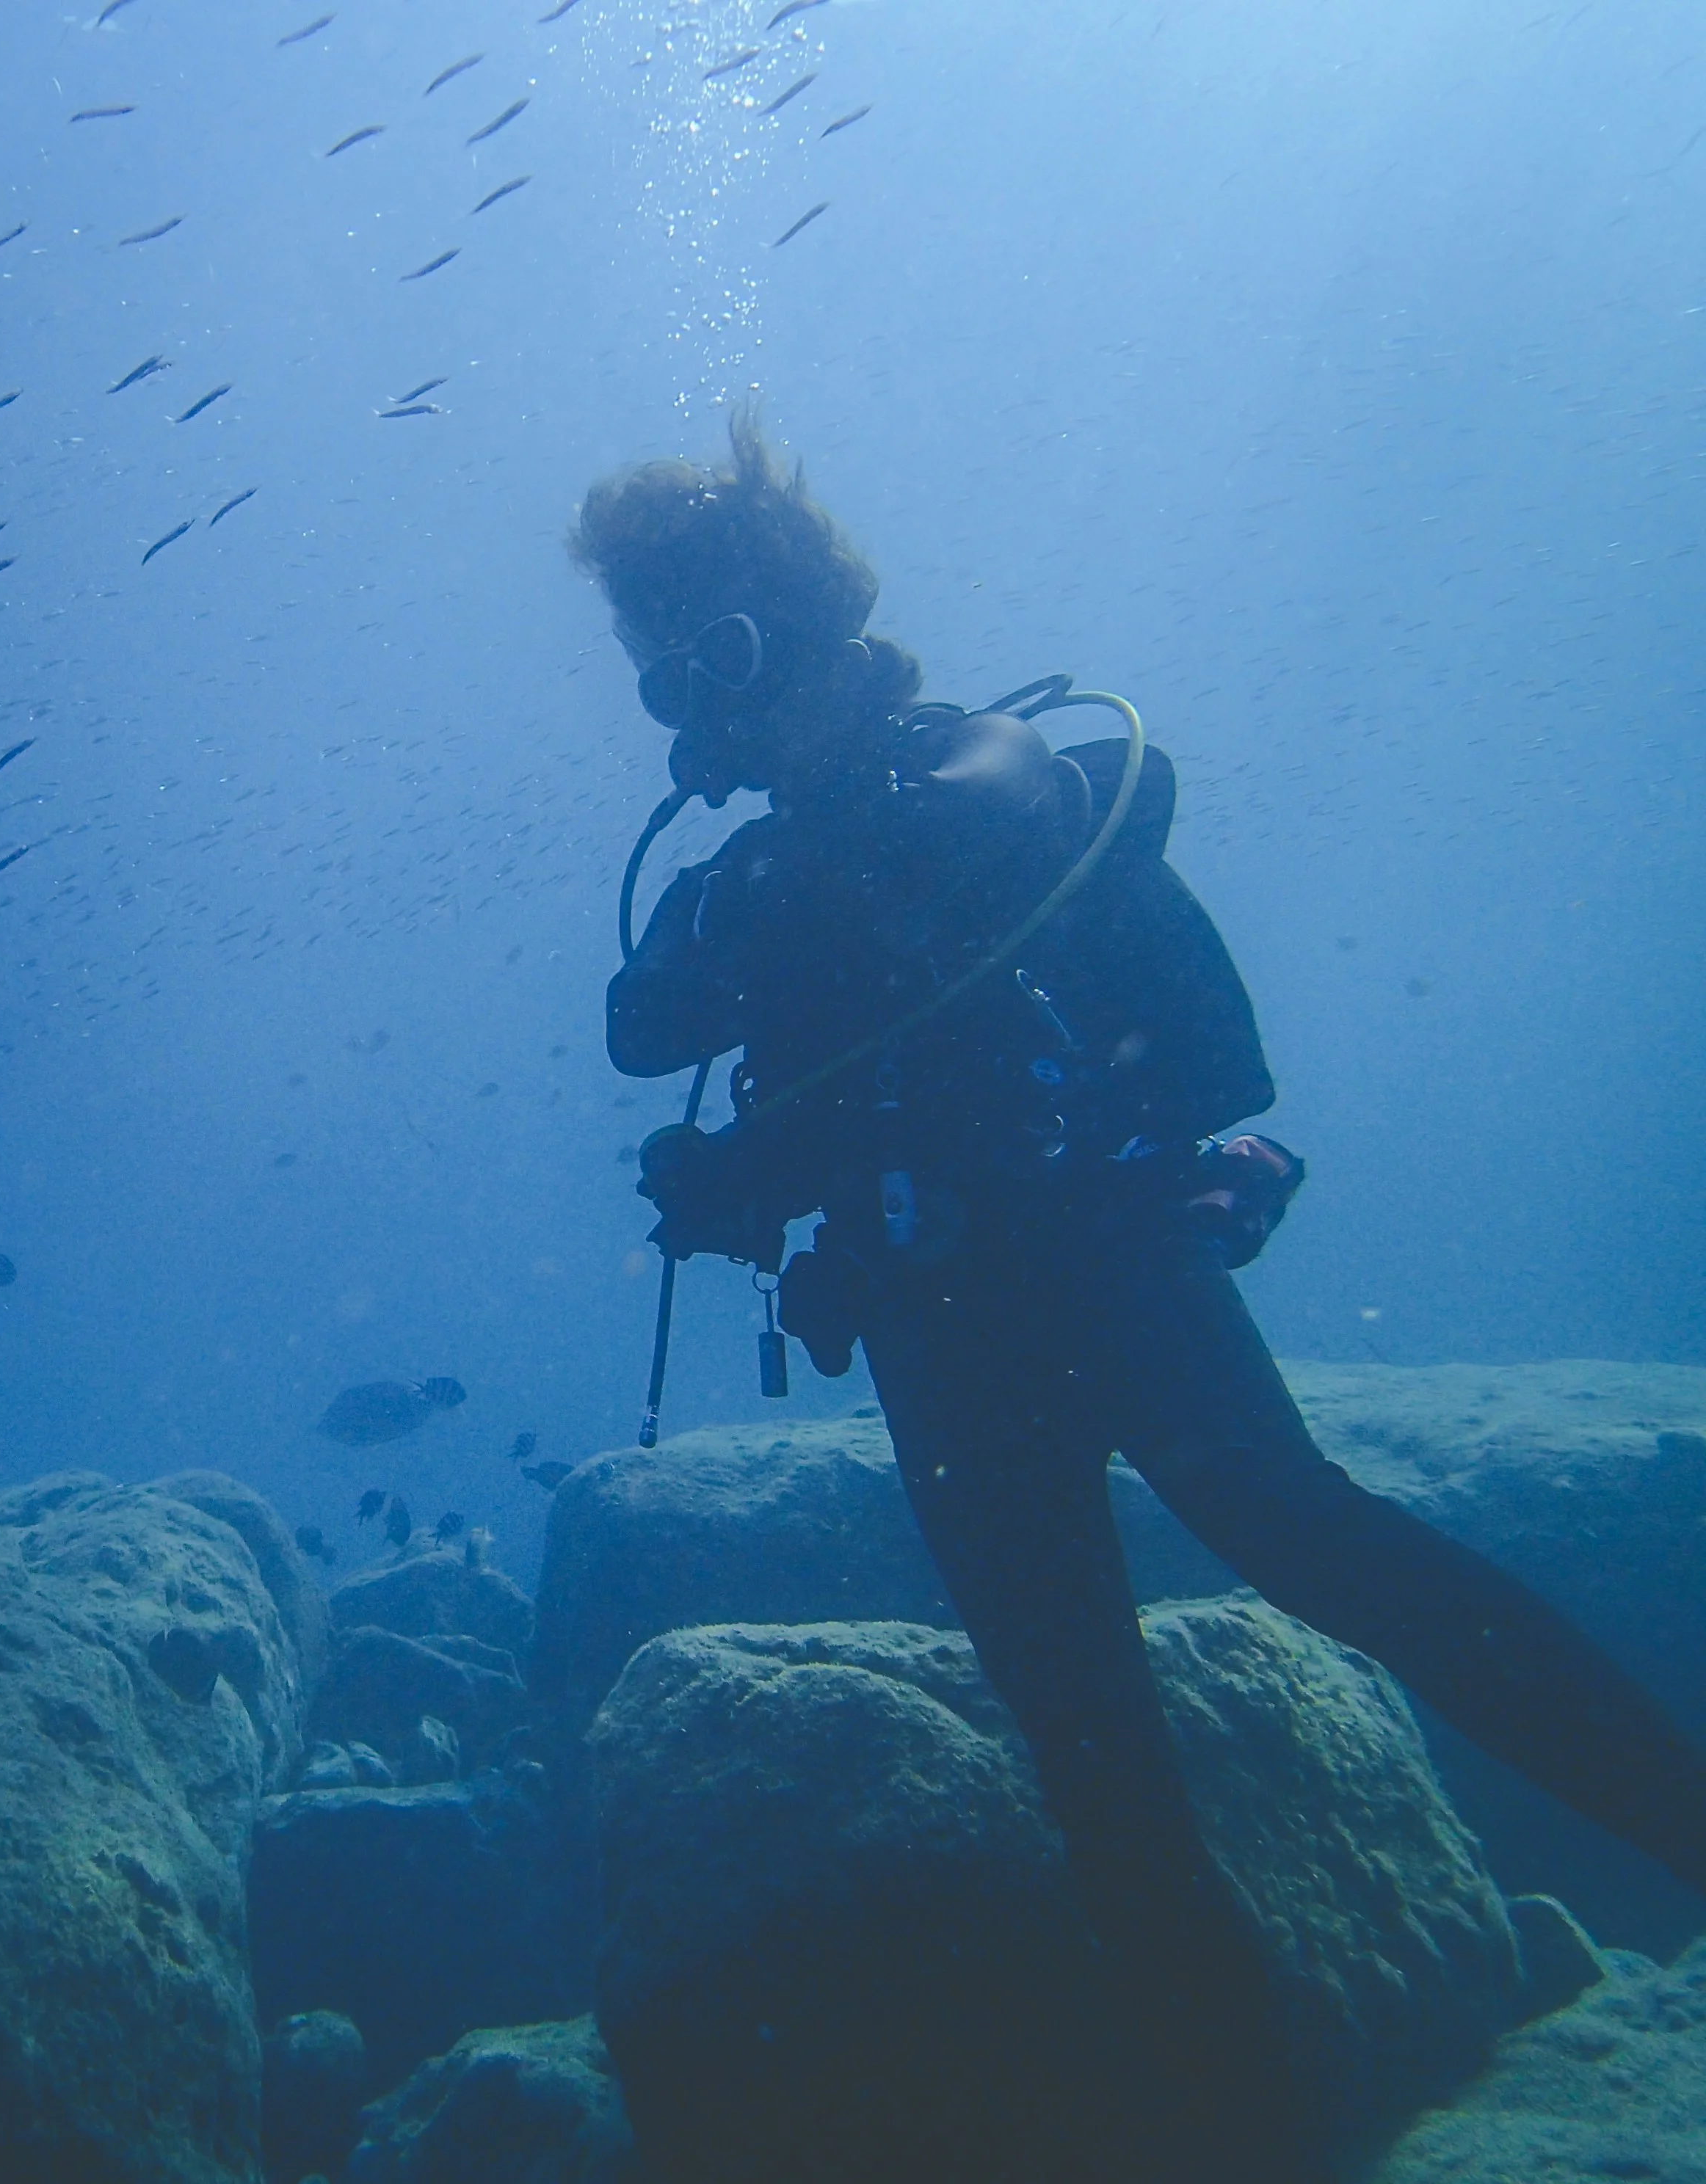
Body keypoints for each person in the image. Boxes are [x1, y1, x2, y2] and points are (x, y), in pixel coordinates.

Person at [578, 418, 1706, 2178]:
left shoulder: (979, 767)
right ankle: (1259, 2133)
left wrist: (768, 936)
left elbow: (966, 863)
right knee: (1083, 1729)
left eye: (707, 655)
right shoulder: (754, 876)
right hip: (938, 1321)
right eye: (661, 676)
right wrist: (730, 1181)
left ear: (811, 620)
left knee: (1318, 1544)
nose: (688, 709)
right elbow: (659, 1028)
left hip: (1103, 1257)